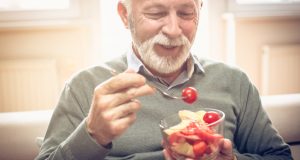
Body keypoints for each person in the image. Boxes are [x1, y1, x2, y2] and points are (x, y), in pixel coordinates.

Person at [36, 0, 293, 159]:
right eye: (157, 13)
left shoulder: (235, 82)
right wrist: (92, 135)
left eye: (185, 13)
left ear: (200, 11)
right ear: (125, 15)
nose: (173, 30)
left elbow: (280, 157)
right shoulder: (85, 87)